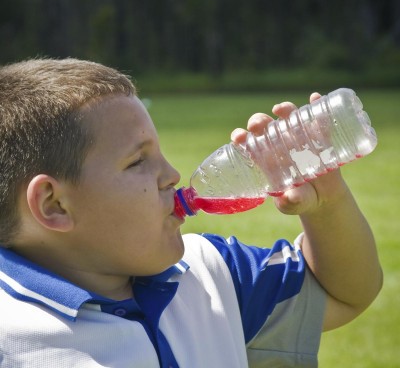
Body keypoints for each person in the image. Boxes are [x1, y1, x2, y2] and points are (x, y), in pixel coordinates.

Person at [0, 58, 382, 368]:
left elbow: (343, 295)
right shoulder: (15, 342)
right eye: (138, 162)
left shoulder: (210, 274)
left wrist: (328, 205)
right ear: (54, 205)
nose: (172, 175)